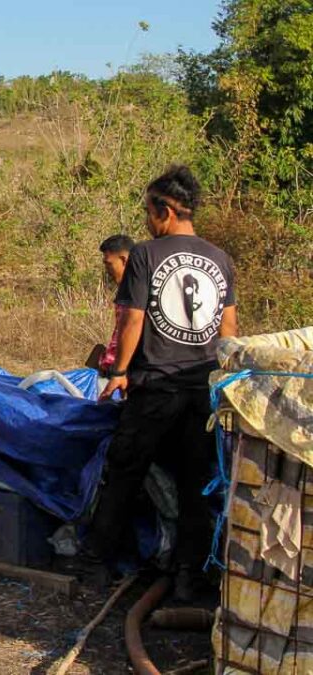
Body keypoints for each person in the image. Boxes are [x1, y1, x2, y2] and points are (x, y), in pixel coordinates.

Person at [87, 165, 238, 599]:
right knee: (195, 483)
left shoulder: (146, 256)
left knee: (124, 472)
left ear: (165, 210)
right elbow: (229, 329)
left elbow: (133, 319)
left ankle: (97, 565)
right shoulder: (220, 259)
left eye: (149, 210)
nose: (146, 220)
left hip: (154, 387)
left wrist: (118, 373)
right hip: (201, 391)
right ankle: (190, 575)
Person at [97, 234, 136, 375]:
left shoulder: (133, 291)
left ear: (124, 260)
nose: (107, 270)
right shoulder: (133, 287)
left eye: (109, 264)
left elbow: (125, 332)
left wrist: (108, 363)